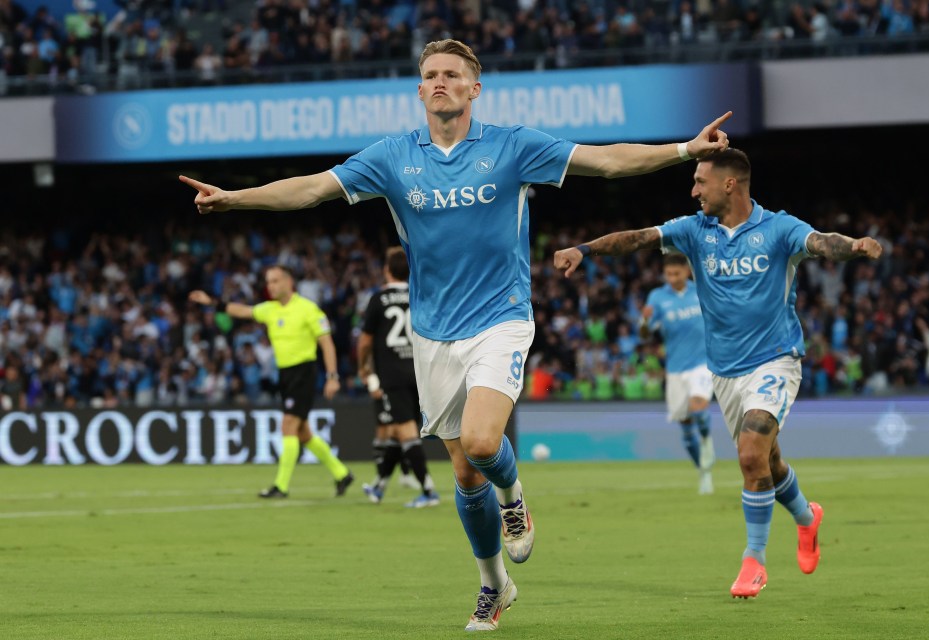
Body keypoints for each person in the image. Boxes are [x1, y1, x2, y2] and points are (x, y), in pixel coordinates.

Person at [180, 38, 730, 630]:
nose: (440, 81)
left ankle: (514, 499)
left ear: (475, 88)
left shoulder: (513, 146)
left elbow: (605, 161)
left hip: (501, 317)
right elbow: (312, 188)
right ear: (419, 90)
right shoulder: (393, 157)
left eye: (451, 74)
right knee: (464, 475)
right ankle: (494, 584)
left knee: (483, 443)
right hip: (433, 332)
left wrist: (683, 151)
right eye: (430, 75)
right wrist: (235, 198)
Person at [554, 148, 883, 599]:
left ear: (730, 184)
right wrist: (584, 249)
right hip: (725, 371)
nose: (693, 190)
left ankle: (754, 561)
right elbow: (637, 238)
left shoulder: (779, 228)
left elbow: (822, 242)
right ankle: (807, 517)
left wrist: (855, 247)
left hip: (776, 359)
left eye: (699, 181)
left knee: (750, 455)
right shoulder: (694, 231)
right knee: (767, 461)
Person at [188, 265, 354, 499]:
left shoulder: (308, 309)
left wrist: (332, 376)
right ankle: (342, 473)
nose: (271, 286)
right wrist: (212, 302)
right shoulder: (270, 310)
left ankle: (281, 486)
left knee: (288, 426)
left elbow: (327, 343)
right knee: (303, 433)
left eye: (275, 281)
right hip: (284, 375)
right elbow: (241, 311)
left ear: (288, 282)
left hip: (303, 373)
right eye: (268, 282)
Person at [357, 246, 440, 508]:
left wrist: (363, 367)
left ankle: (428, 491)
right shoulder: (422, 296)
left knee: (405, 431)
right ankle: (379, 486)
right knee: (399, 430)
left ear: (386, 270)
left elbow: (365, 341)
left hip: (392, 374)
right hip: (421, 371)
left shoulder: (378, 299)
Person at [641, 253, 715, 495]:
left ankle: (706, 439)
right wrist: (644, 323)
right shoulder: (658, 297)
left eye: (677, 273)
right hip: (675, 370)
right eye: (669, 274)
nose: (673, 278)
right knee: (685, 428)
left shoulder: (702, 290)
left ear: (687, 272)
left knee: (699, 409)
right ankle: (703, 471)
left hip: (702, 363)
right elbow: (646, 334)